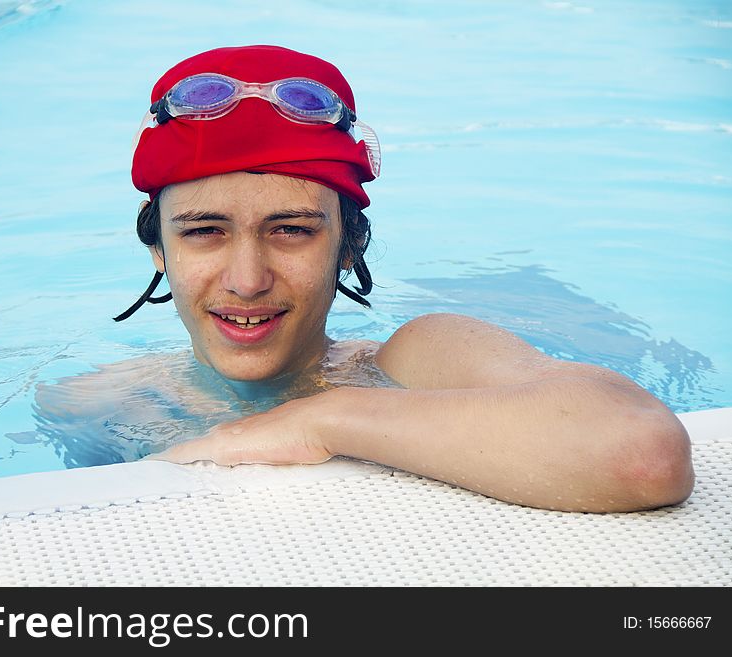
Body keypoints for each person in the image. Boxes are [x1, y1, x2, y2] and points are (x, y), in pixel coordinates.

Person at [38, 45, 693, 513]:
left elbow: (642, 454)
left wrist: (325, 418)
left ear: (349, 245)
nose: (247, 279)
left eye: (291, 229)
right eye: (204, 230)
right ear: (157, 247)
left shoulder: (414, 360)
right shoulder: (95, 405)